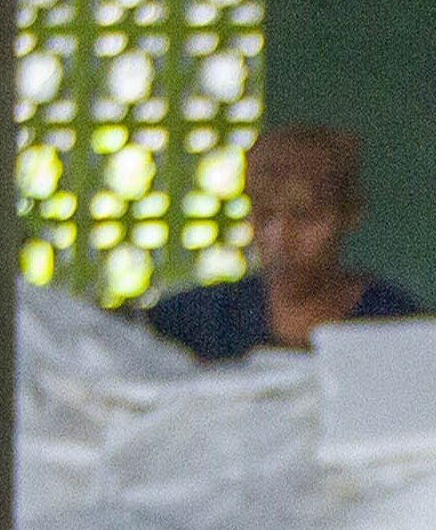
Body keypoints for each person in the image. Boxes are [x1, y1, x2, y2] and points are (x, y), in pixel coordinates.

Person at [142, 125, 420, 362]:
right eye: (265, 216)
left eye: (304, 218)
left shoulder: (391, 325)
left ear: (348, 216)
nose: (281, 238)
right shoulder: (201, 320)